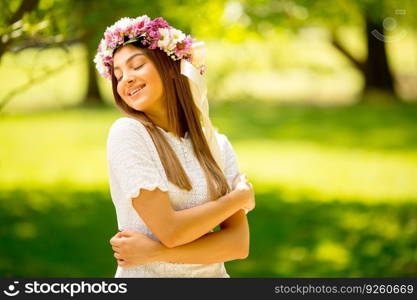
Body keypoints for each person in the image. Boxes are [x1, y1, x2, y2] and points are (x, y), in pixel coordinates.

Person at [94, 15, 255, 278]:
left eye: (136, 66)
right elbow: (170, 231)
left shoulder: (217, 145)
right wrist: (237, 199)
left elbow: (237, 244)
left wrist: (155, 252)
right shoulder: (129, 134)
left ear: (169, 66)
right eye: (118, 74)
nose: (126, 79)